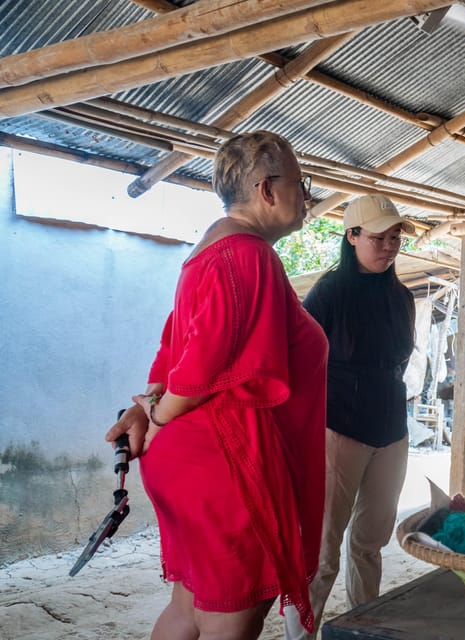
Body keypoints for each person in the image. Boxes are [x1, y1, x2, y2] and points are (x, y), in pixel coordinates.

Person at [104, 130, 328, 639]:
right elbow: (202, 365)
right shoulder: (248, 255)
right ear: (267, 189)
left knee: (189, 609)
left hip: (194, 462)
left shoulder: (205, 255)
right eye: (301, 182)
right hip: (226, 462)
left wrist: (149, 410)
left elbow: (172, 351)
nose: (306, 195)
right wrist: (156, 418)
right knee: (232, 615)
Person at [284, 194, 416, 639]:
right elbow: (297, 358)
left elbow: (399, 362)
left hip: (392, 433)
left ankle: (364, 630)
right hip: (337, 430)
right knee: (321, 554)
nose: (388, 247)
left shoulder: (403, 297)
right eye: (378, 238)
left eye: (395, 237)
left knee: (369, 544)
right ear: (352, 236)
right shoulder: (329, 292)